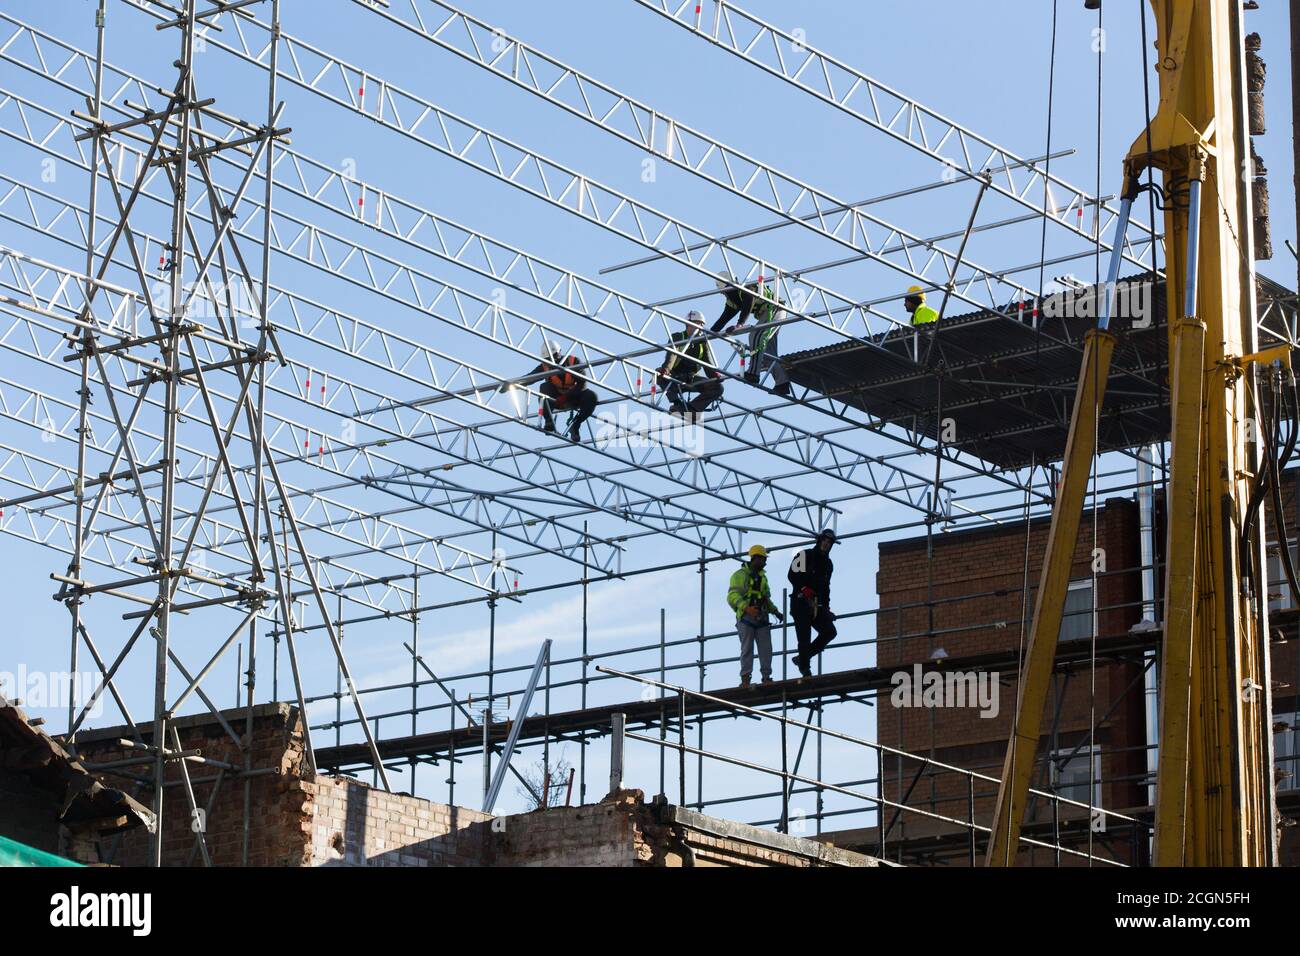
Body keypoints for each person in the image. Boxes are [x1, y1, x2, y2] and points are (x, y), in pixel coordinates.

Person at [713, 275, 791, 396]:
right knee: (767, 353)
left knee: (755, 336)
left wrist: (739, 324)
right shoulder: (733, 300)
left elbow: (749, 303)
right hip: (768, 314)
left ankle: (753, 374)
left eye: (725, 291)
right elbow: (723, 319)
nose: (725, 295)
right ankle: (782, 384)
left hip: (775, 309)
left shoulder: (747, 289)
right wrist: (707, 334)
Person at [727, 544, 784, 687]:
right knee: (747, 649)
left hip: (761, 616)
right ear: (755, 558)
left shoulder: (762, 577)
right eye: (763, 559)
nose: (765, 562)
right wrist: (746, 608)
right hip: (747, 618)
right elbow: (732, 596)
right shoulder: (739, 575)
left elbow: (765, 598)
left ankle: (766, 677)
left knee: (766, 649)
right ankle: (745, 678)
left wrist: (775, 611)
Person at [787, 528, 837, 678]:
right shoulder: (804, 555)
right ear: (819, 540)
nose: (826, 544)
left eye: (829, 542)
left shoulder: (828, 564)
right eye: (824, 541)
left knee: (830, 631)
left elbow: (826, 588)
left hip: (816, 605)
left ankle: (803, 657)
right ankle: (805, 668)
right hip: (800, 602)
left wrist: (827, 608)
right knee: (804, 637)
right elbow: (792, 575)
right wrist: (803, 588)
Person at [657, 311, 722, 422]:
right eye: (698, 323)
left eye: (702, 324)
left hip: (692, 379)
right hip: (676, 377)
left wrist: (715, 375)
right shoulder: (678, 336)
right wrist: (666, 369)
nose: (701, 327)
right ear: (689, 324)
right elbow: (672, 354)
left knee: (718, 387)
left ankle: (691, 409)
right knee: (658, 375)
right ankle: (677, 404)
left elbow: (708, 365)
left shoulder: (702, 342)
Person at [531, 342, 597, 442]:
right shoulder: (544, 367)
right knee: (544, 387)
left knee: (591, 396)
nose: (552, 360)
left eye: (554, 356)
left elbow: (582, 384)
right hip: (555, 400)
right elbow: (530, 378)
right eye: (549, 359)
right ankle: (549, 421)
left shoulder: (573, 361)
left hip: (573, 398)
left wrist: (566, 397)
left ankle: (575, 425)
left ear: (559, 353)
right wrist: (508, 385)